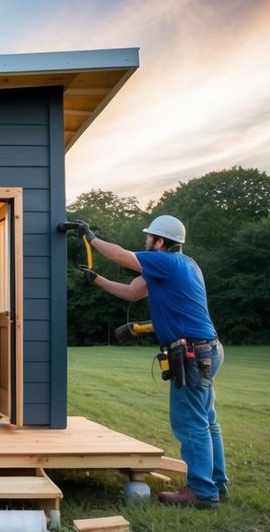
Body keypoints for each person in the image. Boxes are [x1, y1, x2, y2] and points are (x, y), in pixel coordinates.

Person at [74, 213, 229, 511]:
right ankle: (217, 485)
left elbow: (121, 255)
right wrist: (98, 281)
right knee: (208, 422)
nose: (145, 242)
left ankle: (201, 492)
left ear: (160, 242)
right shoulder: (186, 265)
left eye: (149, 238)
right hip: (209, 348)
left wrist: (89, 237)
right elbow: (134, 292)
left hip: (193, 352)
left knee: (191, 423)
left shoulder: (166, 262)